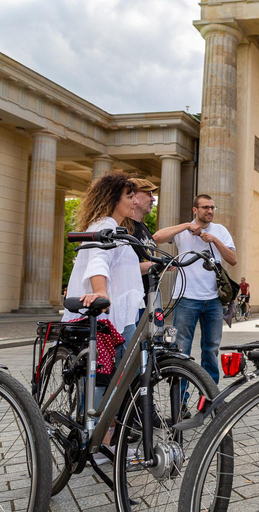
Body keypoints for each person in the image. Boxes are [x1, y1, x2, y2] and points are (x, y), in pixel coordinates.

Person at [62, 172, 142, 454]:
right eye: (129, 196)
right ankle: (100, 441)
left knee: (124, 378)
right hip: (112, 318)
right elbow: (98, 260)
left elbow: (123, 267)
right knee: (113, 380)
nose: (135, 200)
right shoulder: (105, 225)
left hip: (123, 318)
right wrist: (101, 292)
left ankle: (106, 438)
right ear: (113, 199)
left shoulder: (118, 229)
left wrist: (160, 264)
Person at [154, 194, 237, 384]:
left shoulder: (220, 230)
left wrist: (215, 240)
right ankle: (180, 400)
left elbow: (233, 259)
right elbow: (157, 237)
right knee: (181, 349)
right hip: (187, 297)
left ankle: (209, 396)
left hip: (214, 299)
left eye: (212, 208)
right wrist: (186, 226)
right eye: (205, 207)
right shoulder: (184, 230)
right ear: (195, 210)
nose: (210, 211)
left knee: (211, 349)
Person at [125, 177, 158, 318]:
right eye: (149, 194)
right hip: (132, 303)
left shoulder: (142, 227)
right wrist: (159, 264)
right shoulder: (123, 228)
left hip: (148, 299)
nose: (153, 199)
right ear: (134, 196)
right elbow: (123, 268)